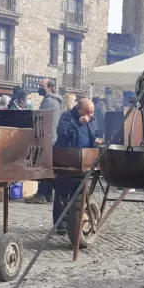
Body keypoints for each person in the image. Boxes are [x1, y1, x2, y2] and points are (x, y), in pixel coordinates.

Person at [53, 97, 100, 230]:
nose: (91, 115)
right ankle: (60, 223)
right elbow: (62, 132)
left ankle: (76, 222)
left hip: (84, 160)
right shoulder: (67, 117)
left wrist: (96, 142)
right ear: (79, 108)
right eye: (88, 112)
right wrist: (78, 123)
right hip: (66, 159)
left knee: (79, 192)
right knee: (62, 193)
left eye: (92, 112)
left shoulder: (92, 119)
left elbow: (94, 133)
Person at [29, 80, 63, 205]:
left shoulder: (49, 101)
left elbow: (39, 119)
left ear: (49, 88)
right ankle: (47, 193)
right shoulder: (55, 101)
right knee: (48, 166)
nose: (39, 88)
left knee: (44, 167)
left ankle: (42, 194)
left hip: (47, 138)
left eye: (42, 87)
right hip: (51, 137)